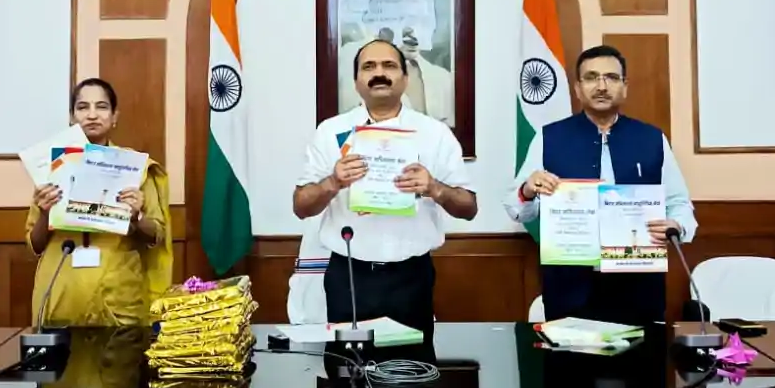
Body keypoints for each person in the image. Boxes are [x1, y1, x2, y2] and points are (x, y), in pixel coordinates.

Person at [293, 39, 477, 337]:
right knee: (346, 363)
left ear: (405, 78)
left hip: (411, 278)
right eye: (369, 67)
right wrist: (333, 182)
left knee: (411, 363)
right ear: (356, 81)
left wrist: (434, 188)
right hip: (348, 278)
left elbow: (468, 207)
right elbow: (301, 206)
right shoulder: (329, 132)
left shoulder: (434, 134)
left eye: (389, 66)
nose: (379, 73)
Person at [505, 44, 697, 324]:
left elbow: (679, 203)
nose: (602, 86)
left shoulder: (652, 139)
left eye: (611, 77)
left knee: (644, 353)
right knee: (569, 353)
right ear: (577, 88)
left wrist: (676, 225)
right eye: (591, 77)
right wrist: (527, 190)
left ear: (625, 87)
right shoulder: (549, 138)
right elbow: (516, 208)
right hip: (569, 289)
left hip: (638, 287)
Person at [27, 78, 172, 326]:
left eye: (101, 107)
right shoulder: (53, 167)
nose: (92, 115)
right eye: (83, 107)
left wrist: (137, 216)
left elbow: (156, 235)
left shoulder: (135, 168)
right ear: (72, 117)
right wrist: (44, 214)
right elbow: (35, 245)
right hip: (61, 295)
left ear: (114, 116)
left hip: (118, 299)